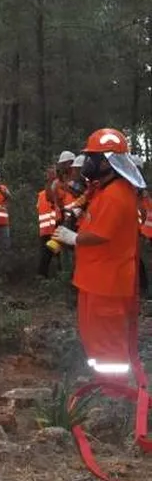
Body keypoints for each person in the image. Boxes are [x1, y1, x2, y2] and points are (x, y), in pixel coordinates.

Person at [51, 128, 145, 387]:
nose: (87, 163)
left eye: (91, 158)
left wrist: (73, 238)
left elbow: (101, 234)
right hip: (95, 279)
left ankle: (115, 395)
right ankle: (105, 384)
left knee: (108, 343)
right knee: (95, 337)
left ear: (106, 161)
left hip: (108, 283)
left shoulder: (116, 195)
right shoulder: (104, 189)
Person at [37, 168, 61, 278]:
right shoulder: (46, 194)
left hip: (50, 230)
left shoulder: (45, 194)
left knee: (48, 256)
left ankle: (44, 277)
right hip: (51, 230)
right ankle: (56, 277)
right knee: (54, 255)